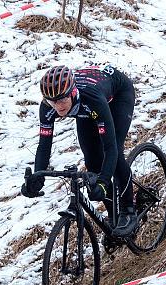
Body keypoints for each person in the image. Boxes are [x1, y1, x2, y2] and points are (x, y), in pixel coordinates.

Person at [21, 64, 138, 238]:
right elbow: (44, 145)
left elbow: (111, 148)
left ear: (72, 92)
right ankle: (114, 216)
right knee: (92, 160)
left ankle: (128, 210)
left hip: (117, 96)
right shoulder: (48, 106)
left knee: (114, 154)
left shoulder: (92, 98)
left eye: (62, 100)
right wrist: (38, 177)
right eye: (53, 101)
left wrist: (103, 182)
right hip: (85, 109)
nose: (58, 106)